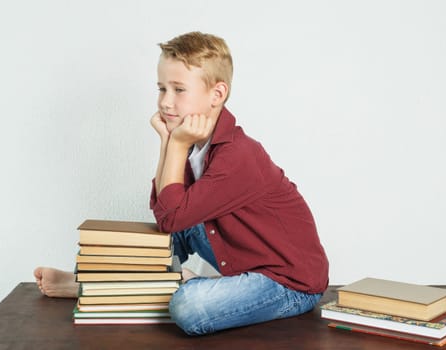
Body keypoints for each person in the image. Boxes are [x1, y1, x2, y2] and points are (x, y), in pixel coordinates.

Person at [34, 31, 329, 336]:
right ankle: (93, 285)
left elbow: (170, 216)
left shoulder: (239, 154)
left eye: (178, 90)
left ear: (217, 95)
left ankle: (185, 284)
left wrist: (175, 145)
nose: (165, 102)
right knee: (177, 229)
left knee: (189, 307)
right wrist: (168, 142)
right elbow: (165, 215)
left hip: (289, 282)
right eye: (161, 88)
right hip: (243, 258)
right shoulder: (197, 144)